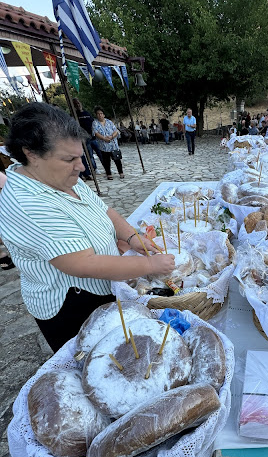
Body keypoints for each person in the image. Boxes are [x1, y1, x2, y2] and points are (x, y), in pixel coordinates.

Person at [0, 103, 175, 352]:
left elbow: (105, 211)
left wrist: (132, 236)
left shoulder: (60, 177)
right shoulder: (26, 203)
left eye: (80, 155)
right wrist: (150, 265)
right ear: (32, 154)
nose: (81, 166)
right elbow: (83, 264)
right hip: (72, 303)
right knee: (96, 358)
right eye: (69, 159)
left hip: (104, 283)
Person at [72, 98, 103, 180]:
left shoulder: (87, 113)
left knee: (100, 153)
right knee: (90, 155)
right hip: (84, 139)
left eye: (78, 103)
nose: (78, 105)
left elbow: (93, 123)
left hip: (93, 137)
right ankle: (94, 169)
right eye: (76, 104)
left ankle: (107, 167)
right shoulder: (75, 115)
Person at [92, 106, 124, 180]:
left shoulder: (109, 122)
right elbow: (95, 133)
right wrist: (104, 138)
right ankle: (108, 173)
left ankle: (121, 172)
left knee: (117, 159)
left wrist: (112, 136)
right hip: (103, 145)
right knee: (106, 160)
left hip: (113, 144)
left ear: (104, 114)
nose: (100, 115)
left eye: (101, 113)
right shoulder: (95, 123)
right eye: (98, 114)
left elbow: (116, 130)